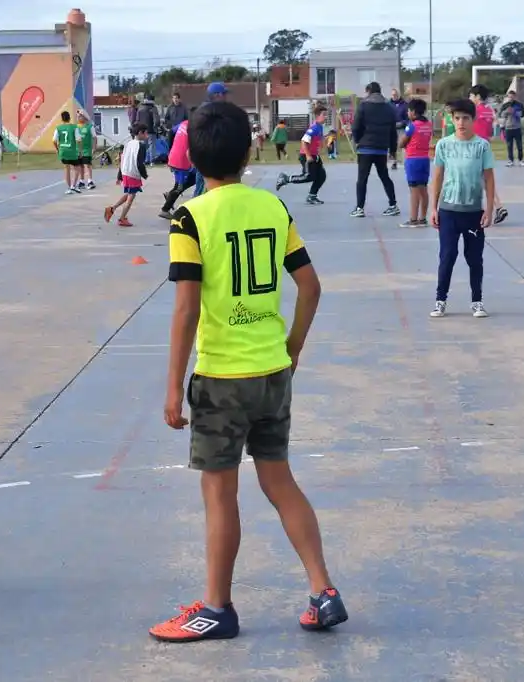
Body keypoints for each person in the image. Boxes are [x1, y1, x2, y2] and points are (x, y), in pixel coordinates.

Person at [150, 99, 347, 643]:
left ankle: (217, 607)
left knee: (220, 495)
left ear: (192, 155)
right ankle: (322, 590)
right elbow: (310, 287)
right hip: (272, 369)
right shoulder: (273, 208)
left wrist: (172, 386)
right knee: (280, 481)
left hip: (221, 378)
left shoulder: (190, 218)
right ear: (249, 149)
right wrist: (293, 346)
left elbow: (187, 309)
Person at [428, 98, 495, 319]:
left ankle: (477, 301)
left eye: (465, 118)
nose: (461, 122)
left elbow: (489, 178)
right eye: (457, 118)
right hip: (448, 211)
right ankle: (440, 300)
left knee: (474, 258)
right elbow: (437, 177)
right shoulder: (443, 145)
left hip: (473, 212)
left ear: (473, 120)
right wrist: (434, 208)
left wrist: (489, 209)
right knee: (447, 256)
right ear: (452, 120)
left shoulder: (482, 146)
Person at [348, 82, 399, 218]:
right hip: (381, 148)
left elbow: (356, 126)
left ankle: (359, 208)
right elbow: (393, 132)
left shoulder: (363, 106)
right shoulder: (389, 107)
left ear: (368, 91)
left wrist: (358, 141)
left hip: (365, 148)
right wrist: (393, 150)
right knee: (384, 176)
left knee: (362, 179)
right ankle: (393, 205)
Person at [468, 84, 509, 225]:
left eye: (471, 96)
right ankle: (498, 206)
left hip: (474, 147)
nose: (470, 98)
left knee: (474, 180)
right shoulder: (488, 110)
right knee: (486, 181)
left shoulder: (474, 110)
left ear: (478, 97)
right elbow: (491, 130)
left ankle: (482, 210)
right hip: (486, 145)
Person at [275, 106, 328, 205]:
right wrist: (308, 156)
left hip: (314, 156)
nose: (326, 117)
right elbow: (304, 141)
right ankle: (286, 179)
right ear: (317, 116)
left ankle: (312, 196)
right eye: (324, 115)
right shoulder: (314, 128)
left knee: (321, 176)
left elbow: (319, 139)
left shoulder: (320, 127)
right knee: (308, 176)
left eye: (326, 115)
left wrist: (323, 145)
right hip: (306, 155)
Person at [104, 122, 148, 227]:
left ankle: (112, 209)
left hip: (125, 173)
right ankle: (122, 219)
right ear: (140, 133)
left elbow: (122, 160)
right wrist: (144, 174)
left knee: (129, 194)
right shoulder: (141, 146)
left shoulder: (128, 144)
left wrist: (119, 176)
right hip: (133, 174)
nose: (147, 135)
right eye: (146, 133)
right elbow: (140, 163)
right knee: (131, 198)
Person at [397, 98, 432, 228]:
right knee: (423, 189)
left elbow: (401, 143)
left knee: (414, 190)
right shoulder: (428, 125)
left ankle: (413, 219)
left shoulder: (412, 126)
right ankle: (422, 218)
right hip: (424, 159)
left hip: (413, 159)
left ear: (413, 112)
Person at [159, 108, 197, 220]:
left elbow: (170, 132)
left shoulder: (184, 123)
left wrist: (171, 148)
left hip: (174, 156)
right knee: (180, 187)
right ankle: (165, 209)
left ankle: (169, 195)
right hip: (181, 161)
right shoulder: (195, 129)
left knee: (194, 178)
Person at [193, 82, 229, 197]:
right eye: (224, 94)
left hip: (206, 151)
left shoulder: (206, 108)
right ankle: (195, 210)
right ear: (217, 95)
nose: (226, 97)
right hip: (207, 151)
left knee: (207, 184)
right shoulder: (210, 110)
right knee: (204, 184)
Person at [53, 110, 82, 194]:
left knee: (67, 169)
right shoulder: (74, 127)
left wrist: (57, 149)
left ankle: (69, 188)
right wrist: (80, 151)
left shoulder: (58, 128)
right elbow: (78, 140)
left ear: (62, 119)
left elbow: (54, 140)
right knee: (77, 169)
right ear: (69, 118)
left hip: (63, 151)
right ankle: (73, 185)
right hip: (72, 151)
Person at [498, 91, 524, 167]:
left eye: (512, 96)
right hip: (508, 128)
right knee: (509, 145)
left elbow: (522, 114)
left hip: (517, 127)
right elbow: (501, 115)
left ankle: (521, 160)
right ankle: (510, 160)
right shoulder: (505, 105)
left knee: (519, 145)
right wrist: (507, 112)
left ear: (515, 97)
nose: (511, 98)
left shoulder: (519, 105)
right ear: (508, 97)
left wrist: (514, 112)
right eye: (509, 96)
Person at [75, 111, 97, 191]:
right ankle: (81, 181)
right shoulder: (76, 127)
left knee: (88, 165)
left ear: (84, 117)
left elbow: (94, 137)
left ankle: (90, 181)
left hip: (87, 150)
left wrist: (94, 148)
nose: (78, 117)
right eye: (77, 116)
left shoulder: (89, 127)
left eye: (80, 116)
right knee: (80, 166)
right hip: (78, 150)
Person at [389, 87, 409, 170]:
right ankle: (394, 162)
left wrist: (402, 123)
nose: (394, 96)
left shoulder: (405, 104)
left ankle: (405, 162)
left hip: (402, 128)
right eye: (393, 95)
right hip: (392, 128)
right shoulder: (388, 104)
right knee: (393, 146)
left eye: (395, 95)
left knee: (403, 145)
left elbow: (408, 118)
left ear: (398, 95)